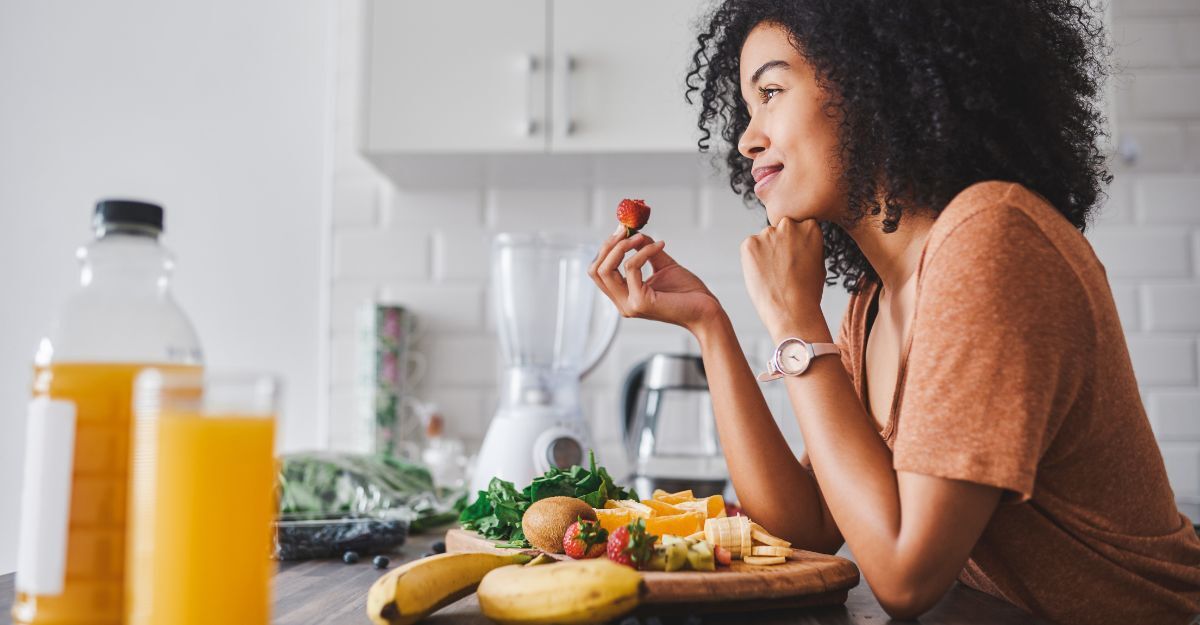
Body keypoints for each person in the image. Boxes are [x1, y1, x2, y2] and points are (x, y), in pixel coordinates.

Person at [587, 2, 1200, 623]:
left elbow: (905, 578)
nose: (748, 138)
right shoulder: (872, 300)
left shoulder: (993, 240)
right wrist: (708, 324)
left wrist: (796, 324)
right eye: (748, 109)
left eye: (771, 91)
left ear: (872, 83)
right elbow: (806, 527)